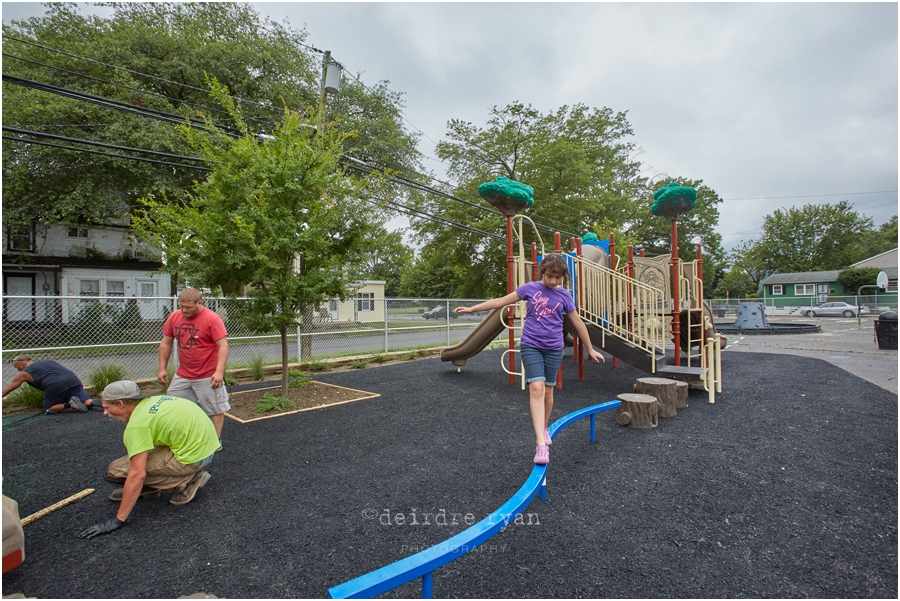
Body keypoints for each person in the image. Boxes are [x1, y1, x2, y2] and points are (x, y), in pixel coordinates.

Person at [454, 253, 605, 465]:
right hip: (531, 345)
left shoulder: (564, 296)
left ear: (563, 278)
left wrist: (590, 348)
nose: (553, 281)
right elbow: (501, 301)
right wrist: (472, 308)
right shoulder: (530, 289)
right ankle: (540, 445)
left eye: (558, 278)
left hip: (553, 348)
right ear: (542, 272)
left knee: (549, 390)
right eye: (550, 276)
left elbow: (578, 323)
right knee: (537, 388)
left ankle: (543, 428)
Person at [79, 380, 219, 539]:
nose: (105, 413)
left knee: (117, 470)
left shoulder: (138, 426)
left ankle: (188, 480)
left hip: (193, 458)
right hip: (208, 447)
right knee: (134, 465)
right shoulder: (154, 401)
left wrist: (118, 520)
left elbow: (136, 475)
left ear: (120, 403)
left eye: (107, 408)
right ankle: (150, 489)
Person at [158, 288, 230, 444]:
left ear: (199, 303)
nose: (184, 310)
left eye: (188, 307)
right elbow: (166, 343)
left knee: (215, 408)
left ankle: (214, 442)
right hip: (183, 375)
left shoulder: (212, 319)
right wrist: (162, 368)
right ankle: (184, 437)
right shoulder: (174, 317)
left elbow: (223, 346)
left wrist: (219, 372)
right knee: (173, 405)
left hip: (207, 374)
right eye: (181, 306)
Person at [2, 355, 97, 413]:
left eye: (16, 367)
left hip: (55, 385)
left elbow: (5, 391)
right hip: (74, 380)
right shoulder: (48, 361)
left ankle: (70, 405)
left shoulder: (24, 373)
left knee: (49, 408)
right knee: (84, 401)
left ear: (20, 363)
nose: (18, 370)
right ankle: (93, 402)